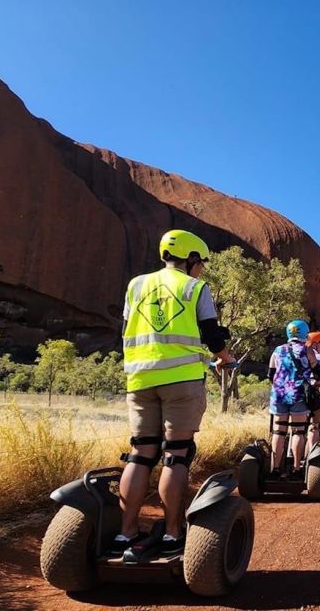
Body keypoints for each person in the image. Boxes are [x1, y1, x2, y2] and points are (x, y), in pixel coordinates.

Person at [111, 229, 236, 558]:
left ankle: (124, 534)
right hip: (181, 382)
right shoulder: (195, 288)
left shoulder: (136, 285)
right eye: (201, 262)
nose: (203, 268)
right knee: (176, 455)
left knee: (141, 454)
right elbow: (210, 333)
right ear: (191, 258)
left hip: (139, 379)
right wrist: (225, 358)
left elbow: (130, 328)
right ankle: (171, 533)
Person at [267, 320, 320, 480]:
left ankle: (275, 469)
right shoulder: (307, 351)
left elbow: (271, 375)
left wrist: (281, 385)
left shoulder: (278, 350)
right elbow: (318, 372)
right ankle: (296, 468)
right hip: (299, 394)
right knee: (298, 431)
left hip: (278, 395)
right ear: (305, 334)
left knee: (279, 431)